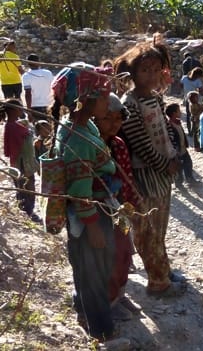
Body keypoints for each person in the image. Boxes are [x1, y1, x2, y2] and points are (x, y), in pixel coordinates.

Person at [114, 40, 186, 298]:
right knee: (148, 230)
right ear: (132, 73)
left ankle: (163, 269)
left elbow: (165, 130)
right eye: (145, 70)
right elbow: (140, 143)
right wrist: (164, 164)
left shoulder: (155, 98)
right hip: (144, 175)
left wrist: (174, 155)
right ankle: (158, 282)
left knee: (160, 227)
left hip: (162, 173)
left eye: (156, 70)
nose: (152, 75)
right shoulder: (130, 104)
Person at [50, 64, 117, 341]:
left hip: (95, 209)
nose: (107, 102)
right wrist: (93, 227)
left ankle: (83, 310)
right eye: (104, 96)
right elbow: (80, 192)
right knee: (94, 271)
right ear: (88, 98)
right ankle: (101, 329)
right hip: (90, 215)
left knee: (86, 267)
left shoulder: (81, 124)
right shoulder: (77, 137)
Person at [93, 93, 140, 321]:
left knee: (124, 252)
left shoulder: (118, 143)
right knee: (107, 256)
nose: (114, 124)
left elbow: (126, 178)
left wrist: (131, 208)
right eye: (107, 119)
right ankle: (109, 301)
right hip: (98, 210)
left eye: (118, 119)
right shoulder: (89, 145)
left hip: (119, 209)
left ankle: (119, 295)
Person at [2, 99, 41, 223]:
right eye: (20, 108)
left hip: (19, 163)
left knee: (22, 188)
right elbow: (18, 145)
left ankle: (26, 211)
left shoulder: (11, 125)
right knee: (27, 189)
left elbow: (8, 150)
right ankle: (29, 213)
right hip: (23, 164)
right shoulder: (15, 127)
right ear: (13, 110)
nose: (22, 110)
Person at [165, 103, 197, 185]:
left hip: (183, 149)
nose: (180, 112)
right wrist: (175, 151)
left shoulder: (178, 122)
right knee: (179, 168)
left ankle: (189, 179)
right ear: (173, 113)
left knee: (188, 163)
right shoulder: (170, 125)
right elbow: (171, 140)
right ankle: (179, 183)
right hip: (177, 151)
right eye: (178, 111)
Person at [22, 53, 53, 120]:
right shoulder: (48, 73)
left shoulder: (26, 76)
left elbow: (28, 94)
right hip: (49, 105)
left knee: (39, 128)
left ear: (28, 64)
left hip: (35, 106)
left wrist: (29, 110)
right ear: (39, 62)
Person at [180, 67, 203, 133]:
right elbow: (201, 90)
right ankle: (191, 129)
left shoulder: (186, 79)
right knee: (190, 114)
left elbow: (181, 86)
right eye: (199, 76)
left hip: (193, 100)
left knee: (192, 114)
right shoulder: (186, 78)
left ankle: (192, 129)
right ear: (196, 74)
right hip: (190, 100)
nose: (198, 77)